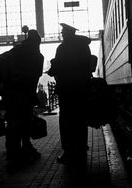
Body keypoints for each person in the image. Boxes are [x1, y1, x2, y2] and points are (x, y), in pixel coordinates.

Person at [47, 23, 92, 167]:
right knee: (81, 119)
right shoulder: (85, 46)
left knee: (66, 122)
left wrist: (52, 70)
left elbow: (57, 67)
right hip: (82, 89)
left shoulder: (62, 48)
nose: (61, 34)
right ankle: (81, 147)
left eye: (63, 32)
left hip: (67, 89)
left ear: (68, 33)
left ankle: (69, 152)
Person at [1, 29, 44, 166]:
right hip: (24, 95)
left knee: (13, 123)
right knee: (25, 123)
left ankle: (13, 152)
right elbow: (35, 76)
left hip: (10, 95)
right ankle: (24, 148)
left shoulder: (14, 52)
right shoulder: (37, 56)